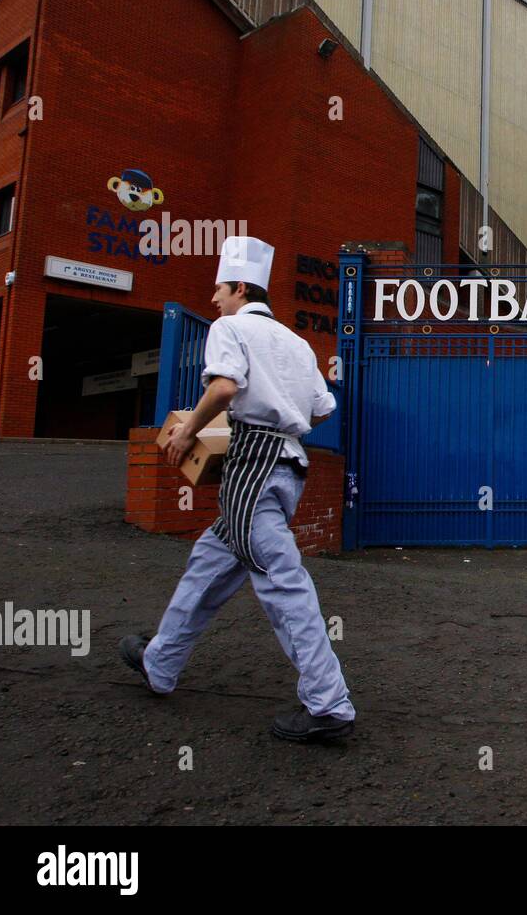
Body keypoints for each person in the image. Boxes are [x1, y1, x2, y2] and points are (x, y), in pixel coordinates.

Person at [119, 235, 356, 743]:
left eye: (219, 289)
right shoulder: (298, 343)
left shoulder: (230, 327)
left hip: (250, 464)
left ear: (241, 288)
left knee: (283, 581)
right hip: (288, 465)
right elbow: (322, 408)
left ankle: (329, 702)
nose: (213, 299)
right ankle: (160, 662)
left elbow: (224, 387)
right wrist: (278, 403)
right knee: (207, 566)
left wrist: (187, 430)